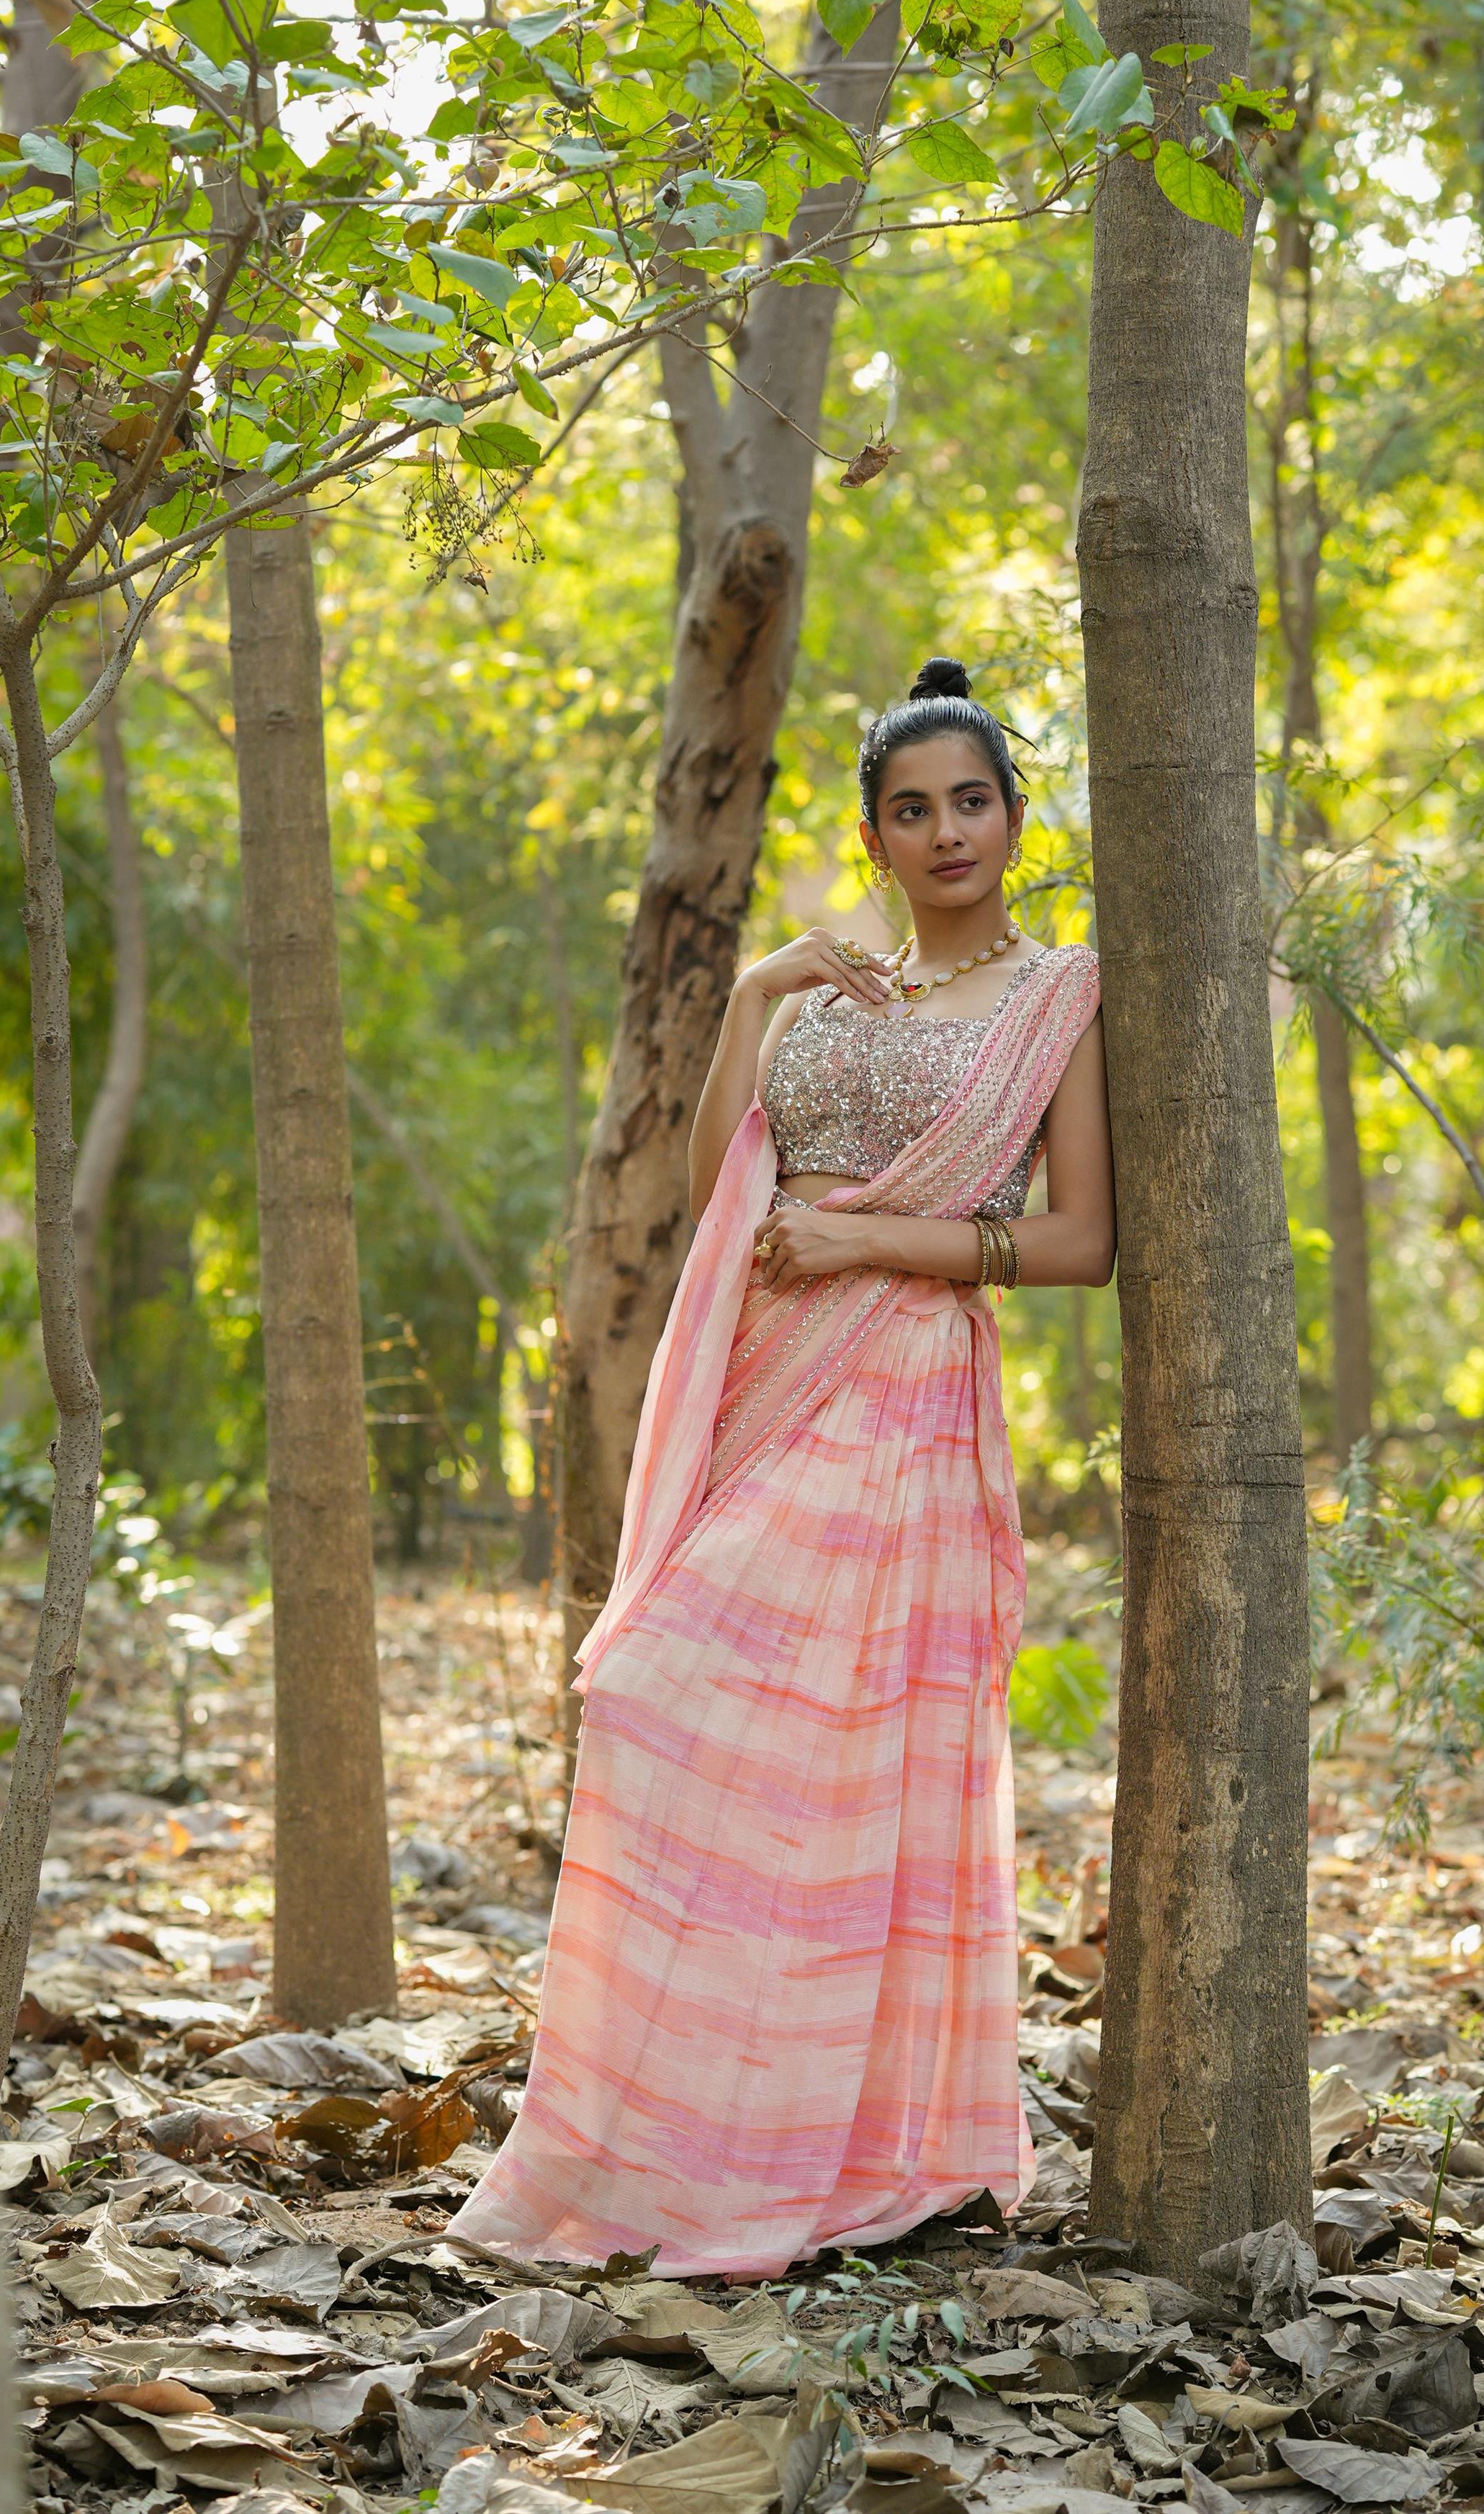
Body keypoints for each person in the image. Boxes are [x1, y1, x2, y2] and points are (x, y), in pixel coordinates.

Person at [449, 655, 1115, 2279]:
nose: (946, 830)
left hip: (906, 1405)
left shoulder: (1060, 998)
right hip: (763, 1389)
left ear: (1016, 820)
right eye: (913, 808)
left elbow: (1086, 1241)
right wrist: (752, 995)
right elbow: (713, 1188)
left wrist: (868, 1237)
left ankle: (852, 2155)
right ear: (874, 833)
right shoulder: (818, 994)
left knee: (836, 1762)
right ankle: (692, 2143)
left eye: (972, 800)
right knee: (675, 1708)